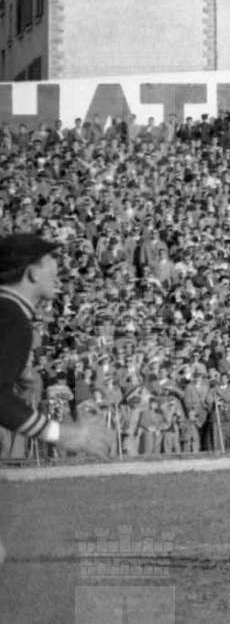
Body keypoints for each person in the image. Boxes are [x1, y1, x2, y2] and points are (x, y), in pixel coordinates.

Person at [0, 232, 118, 556]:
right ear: (31, 272)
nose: (58, 268)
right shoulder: (11, 318)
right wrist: (63, 434)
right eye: (51, 259)